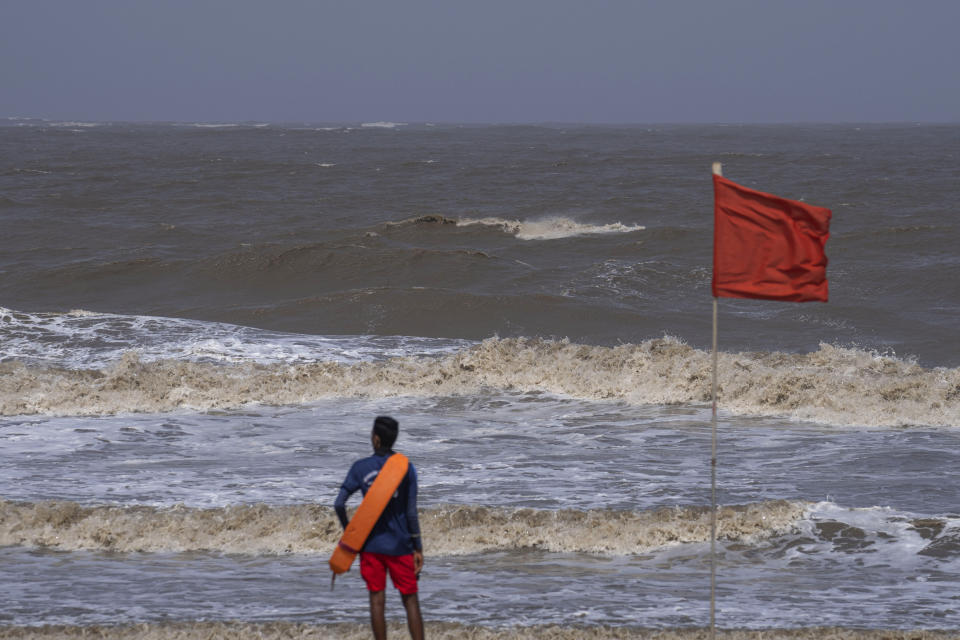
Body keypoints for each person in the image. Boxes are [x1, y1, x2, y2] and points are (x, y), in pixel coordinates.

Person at [334, 416, 424, 640]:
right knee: (410, 600)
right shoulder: (405, 468)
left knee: (376, 600)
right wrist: (418, 547)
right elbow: (411, 513)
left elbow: (339, 503)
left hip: (370, 547)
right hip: (401, 546)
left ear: (375, 439)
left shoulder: (360, 468)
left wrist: (351, 533)